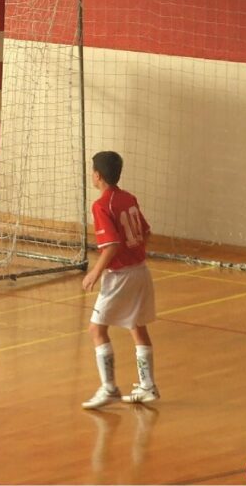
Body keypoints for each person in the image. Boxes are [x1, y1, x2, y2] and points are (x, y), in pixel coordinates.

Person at [81, 151, 159, 409]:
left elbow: (112, 245)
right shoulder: (128, 198)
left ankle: (109, 388)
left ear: (97, 175)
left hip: (121, 276)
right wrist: (134, 253)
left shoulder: (102, 205)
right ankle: (147, 386)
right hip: (141, 271)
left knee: (97, 329)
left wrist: (96, 272)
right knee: (137, 326)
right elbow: (146, 233)